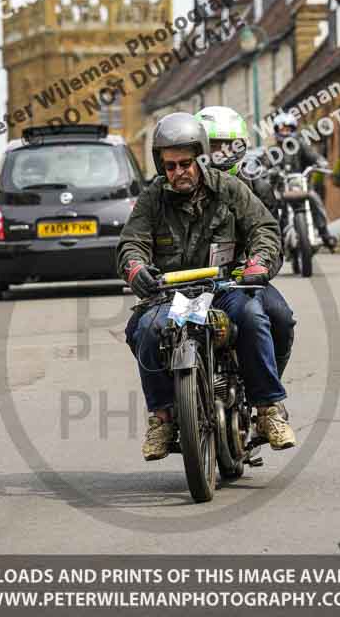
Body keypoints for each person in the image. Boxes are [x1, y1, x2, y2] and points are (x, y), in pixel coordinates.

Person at [117, 112, 296, 461]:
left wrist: (258, 261)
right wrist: (135, 267)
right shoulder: (152, 198)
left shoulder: (230, 188)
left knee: (254, 316)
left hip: (227, 286)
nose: (178, 172)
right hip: (173, 293)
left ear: (199, 158)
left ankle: (267, 410)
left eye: (185, 163)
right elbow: (131, 242)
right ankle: (162, 419)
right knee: (146, 331)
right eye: (170, 166)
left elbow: (263, 228)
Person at [195, 105, 295, 378]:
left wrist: (259, 268)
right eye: (213, 146)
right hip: (190, 283)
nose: (221, 153)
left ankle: (267, 391)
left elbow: (273, 242)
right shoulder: (182, 186)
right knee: (157, 330)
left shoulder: (258, 188)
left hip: (242, 282)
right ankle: (170, 400)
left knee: (282, 319)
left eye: (229, 146)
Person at [271, 113, 336, 249]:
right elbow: (266, 163)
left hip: (301, 185)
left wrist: (320, 162)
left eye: (288, 129)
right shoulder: (273, 151)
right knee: (272, 205)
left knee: (314, 198)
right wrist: (268, 170)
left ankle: (324, 232)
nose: (285, 132)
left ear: (293, 130)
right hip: (282, 188)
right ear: (277, 131)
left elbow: (312, 155)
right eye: (282, 129)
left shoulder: (300, 145)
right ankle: (273, 239)